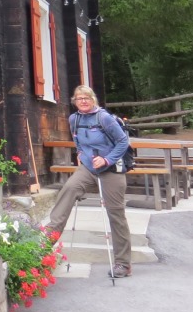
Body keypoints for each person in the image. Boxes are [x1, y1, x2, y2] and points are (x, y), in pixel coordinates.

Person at [47, 85, 132, 278]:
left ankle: (123, 263)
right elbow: (77, 139)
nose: (83, 101)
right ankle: (46, 240)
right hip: (88, 168)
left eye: (87, 97)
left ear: (93, 99)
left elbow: (123, 142)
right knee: (69, 189)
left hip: (111, 169)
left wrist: (107, 160)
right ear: (74, 101)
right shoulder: (74, 119)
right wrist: (81, 153)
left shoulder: (104, 118)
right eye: (79, 98)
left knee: (116, 215)